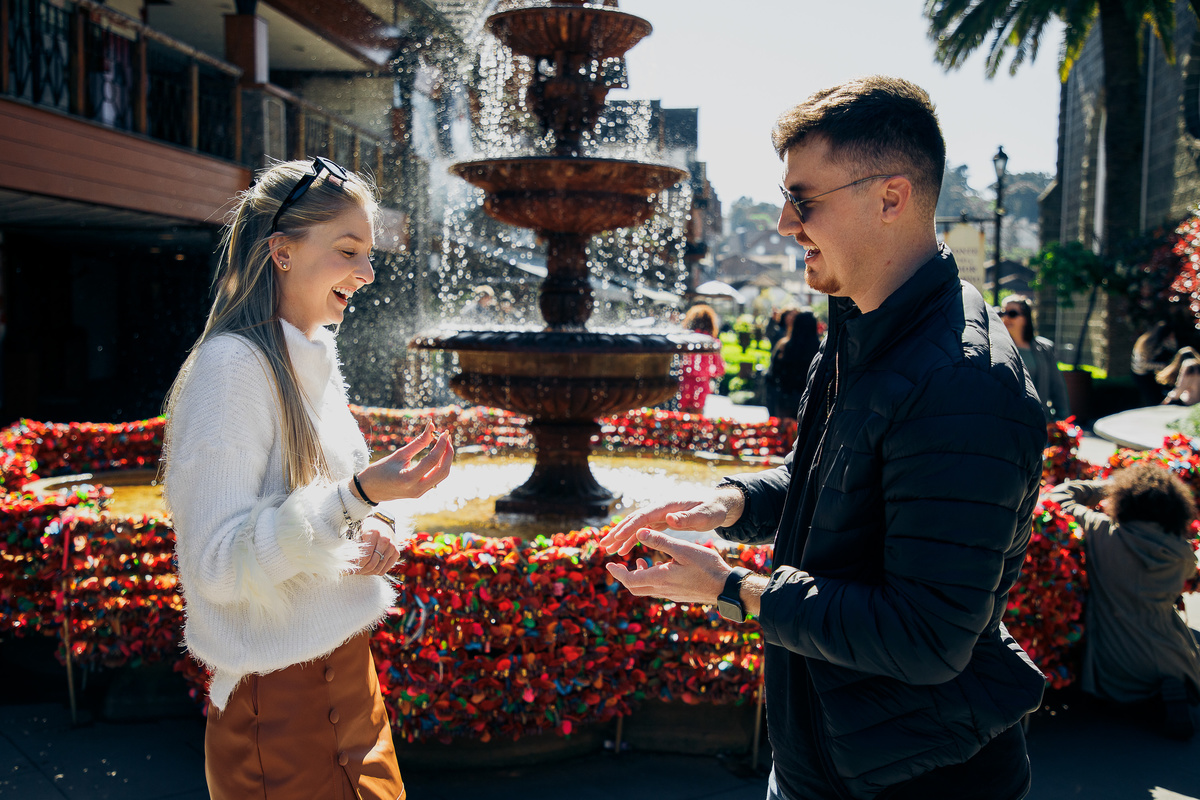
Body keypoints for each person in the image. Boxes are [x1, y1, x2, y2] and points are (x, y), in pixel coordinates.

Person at [600, 76, 1047, 800]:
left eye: (802, 201)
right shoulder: (867, 323)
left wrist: (730, 588)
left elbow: (924, 635)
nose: (783, 224)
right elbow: (836, 477)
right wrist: (731, 502)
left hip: (917, 781)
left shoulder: (964, 385)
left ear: (891, 199)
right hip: (832, 767)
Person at [162, 157, 455, 799]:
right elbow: (214, 565)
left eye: (370, 254)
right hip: (282, 701)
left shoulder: (311, 356)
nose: (368, 273)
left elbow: (341, 505)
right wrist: (359, 498)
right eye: (348, 250)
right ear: (282, 251)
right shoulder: (231, 368)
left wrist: (377, 524)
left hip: (349, 679)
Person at [1047, 465, 1200, 739]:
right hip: (1169, 655)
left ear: (1123, 501)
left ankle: (1127, 702)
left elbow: (1058, 498)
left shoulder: (1104, 533)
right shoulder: (1181, 555)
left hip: (1113, 662)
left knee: (1106, 686)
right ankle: (1168, 695)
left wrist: (1108, 486)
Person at [1000, 294, 1071, 422]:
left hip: (1037, 422)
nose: (1006, 317)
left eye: (1012, 313)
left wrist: (1062, 421)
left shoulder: (1045, 349)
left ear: (1026, 318)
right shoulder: (996, 347)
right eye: (1002, 312)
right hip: (1006, 422)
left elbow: (1057, 388)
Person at [764, 307, 819, 422]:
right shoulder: (820, 349)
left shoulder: (784, 346)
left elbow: (773, 374)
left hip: (785, 399)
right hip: (811, 401)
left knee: (785, 434)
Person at [679, 304, 726, 413]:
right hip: (702, 384)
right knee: (697, 419)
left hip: (683, 382)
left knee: (680, 418)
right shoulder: (712, 343)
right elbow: (720, 369)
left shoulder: (685, 341)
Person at [1131, 322, 1177, 405]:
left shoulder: (1161, 341)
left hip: (1151, 371)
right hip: (1141, 373)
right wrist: (1162, 366)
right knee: (1151, 397)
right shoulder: (1145, 342)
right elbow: (1142, 363)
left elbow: (1173, 348)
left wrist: (1172, 338)